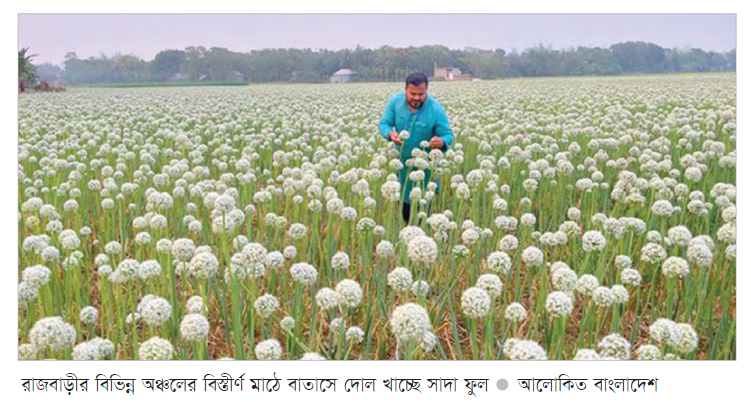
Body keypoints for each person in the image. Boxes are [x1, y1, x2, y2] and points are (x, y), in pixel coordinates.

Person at [378, 72, 454, 224]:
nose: (417, 98)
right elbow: (384, 124)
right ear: (405, 89)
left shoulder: (436, 109)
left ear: (427, 91)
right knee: (403, 212)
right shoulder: (395, 102)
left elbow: (447, 135)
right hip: (401, 168)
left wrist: (441, 142)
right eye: (413, 94)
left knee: (422, 214)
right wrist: (390, 134)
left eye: (421, 94)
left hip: (425, 172)